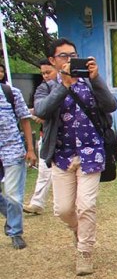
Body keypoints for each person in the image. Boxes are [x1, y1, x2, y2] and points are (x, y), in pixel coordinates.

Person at [35, 38, 117, 276]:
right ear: (53, 60)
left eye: (73, 55)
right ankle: (80, 231)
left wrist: (97, 79)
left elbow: (111, 105)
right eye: (64, 56)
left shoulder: (90, 84)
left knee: (86, 205)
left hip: (91, 153)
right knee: (62, 209)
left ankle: (85, 252)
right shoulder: (47, 87)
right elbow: (41, 110)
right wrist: (64, 85)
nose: (70, 60)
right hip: (61, 155)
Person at [0, 72, 37, 249]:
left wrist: (30, 149)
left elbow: (25, 120)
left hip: (12, 149)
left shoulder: (11, 93)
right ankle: (11, 217)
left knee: (13, 195)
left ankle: (15, 232)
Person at [24, 59, 58, 215]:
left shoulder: (67, 88)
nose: (45, 76)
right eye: (43, 73)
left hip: (64, 140)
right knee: (44, 171)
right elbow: (38, 109)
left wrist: (44, 116)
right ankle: (37, 202)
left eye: (48, 72)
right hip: (46, 137)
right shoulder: (41, 90)